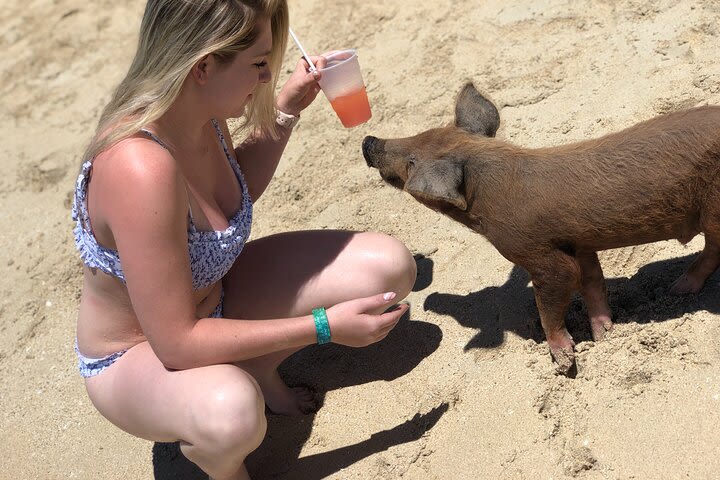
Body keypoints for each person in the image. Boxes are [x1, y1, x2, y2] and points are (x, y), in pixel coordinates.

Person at [70, 1, 416, 479]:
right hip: (139, 353)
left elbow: (229, 195)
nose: (264, 78)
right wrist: (322, 325)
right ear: (203, 66)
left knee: (388, 267)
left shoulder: (197, 110)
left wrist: (288, 108)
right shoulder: (139, 166)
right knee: (231, 413)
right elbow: (176, 343)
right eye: (258, 64)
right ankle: (224, 466)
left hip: (215, 305)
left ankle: (252, 366)